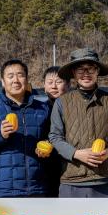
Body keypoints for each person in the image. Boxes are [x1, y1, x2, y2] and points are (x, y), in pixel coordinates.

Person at [49, 48, 108, 198]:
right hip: (71, 180)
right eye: (80, 69)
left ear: (97, 71)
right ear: (73, 73)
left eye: (91, 68)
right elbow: (55, 137)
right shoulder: (62, 102)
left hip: (104, 181)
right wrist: (76, 154)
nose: (86, 73)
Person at [0, 59, 51, 197]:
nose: (16, 80)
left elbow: (53, 138)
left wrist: (48, 148)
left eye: (20, 75)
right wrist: (0, 135)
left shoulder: (42, 109)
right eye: (10, 76)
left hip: (37, 187)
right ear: (3, 81)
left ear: (26, 79)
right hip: (3, 189)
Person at [42, 66, 68, 197]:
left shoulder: (74, 108)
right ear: (44, 86)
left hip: (70, 166)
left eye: (58, 82)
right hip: (45, 169)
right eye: (50, 82)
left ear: (67, 84)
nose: (54, 86)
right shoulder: (39, 110)